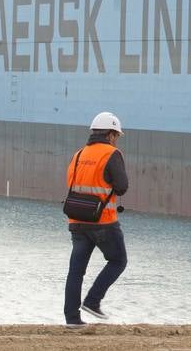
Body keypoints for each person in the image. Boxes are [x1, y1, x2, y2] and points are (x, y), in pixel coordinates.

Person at [63, 111, 129, 327]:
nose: (117, 139)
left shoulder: (79, 154)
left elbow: (71, 182)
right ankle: (92, 301)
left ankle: (72, 319)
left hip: (77, 219)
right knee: (118, 261)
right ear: (110, 134)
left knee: (76, 271)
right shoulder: (112, 154)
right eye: (116, 135)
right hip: (103, 222)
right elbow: (122, 187)